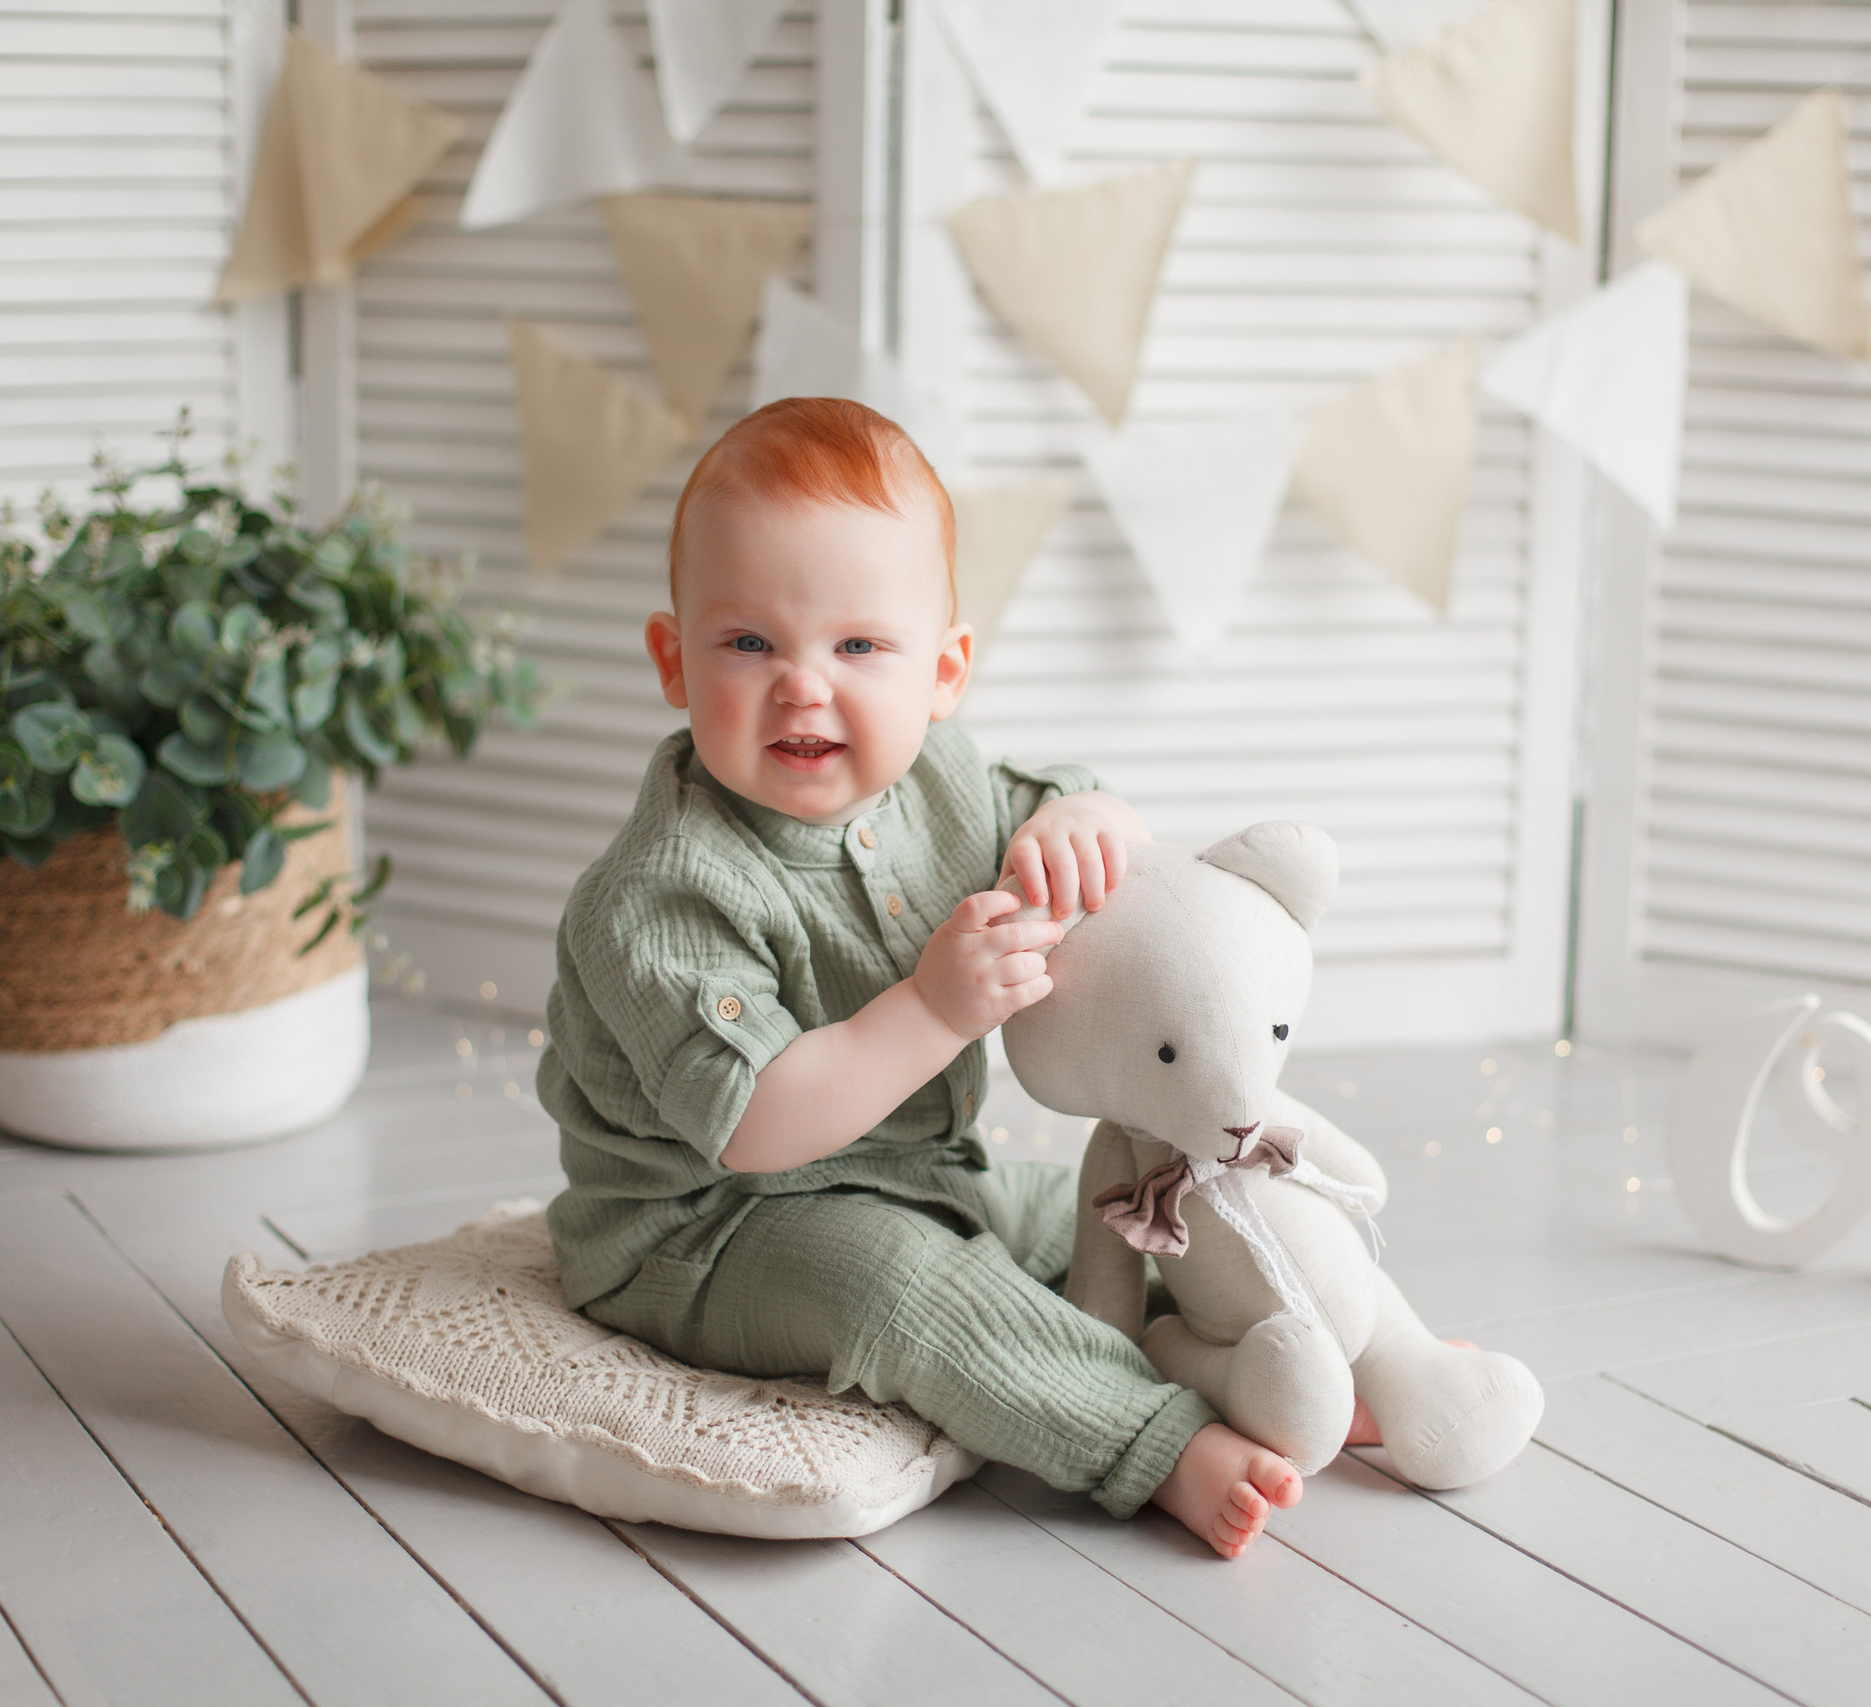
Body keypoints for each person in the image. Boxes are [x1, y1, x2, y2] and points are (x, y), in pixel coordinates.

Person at [539, 396, 1301, 1557]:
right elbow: (752, 1124)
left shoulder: (938, 776)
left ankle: (1313, 1332)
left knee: (1119, 1198)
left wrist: (1089, 816)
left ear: (941, 673)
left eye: (857, 647)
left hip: (920, 1171)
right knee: (905, 1290)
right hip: (707, 1231)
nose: (801, 685)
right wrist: (933, 1010)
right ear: (672, 659)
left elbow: (1048, 812)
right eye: (747, 642)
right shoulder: (663, 891)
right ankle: (1150, 1437)